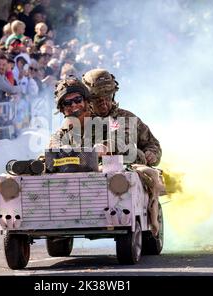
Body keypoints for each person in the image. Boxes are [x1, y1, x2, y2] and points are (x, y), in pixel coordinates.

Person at [82, 68, 163, 236]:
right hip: (91, 180)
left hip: (129, 176)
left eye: (107, 98)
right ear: (89, 101)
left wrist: (151, 154)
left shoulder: (128, 119)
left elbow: (153, 144)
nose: (104, 104)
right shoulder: (81, 123)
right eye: (98, 100)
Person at [48, 76, 92, 149]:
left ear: (85, 101)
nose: (73, 105)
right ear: (62, 109)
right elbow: (49, 154)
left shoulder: (104, 123)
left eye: (78, 99)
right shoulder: (61, 135)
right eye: (67, 102)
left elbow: (114, 140)